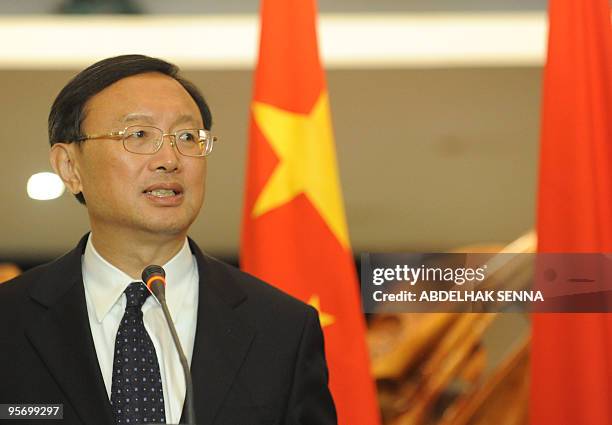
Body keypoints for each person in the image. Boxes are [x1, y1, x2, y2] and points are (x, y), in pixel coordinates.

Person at [0, 55, 337, 425]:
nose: (169, 159)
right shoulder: (10, 321)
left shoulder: (282, 329)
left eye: (188, 137)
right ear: (70, 167)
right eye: (138, 135)